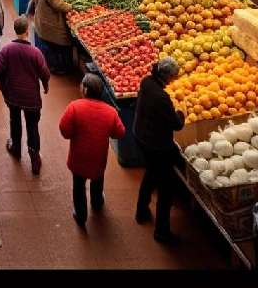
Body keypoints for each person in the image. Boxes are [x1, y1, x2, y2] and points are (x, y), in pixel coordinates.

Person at [59, 74, 126, 228]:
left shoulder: (75, 107)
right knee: (97, 180)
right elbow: (120, 132)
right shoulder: (110, 112)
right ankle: (97, 202)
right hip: (98, 157)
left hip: (78, 157)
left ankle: (81, 215)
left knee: (78, 185)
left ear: (86, 89)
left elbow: (64, 130)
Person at [135, 57, 186, 245]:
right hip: (156, 144)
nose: (174, 80)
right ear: (168, 76)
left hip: (140, 136)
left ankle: (141, 211)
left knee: (150, 173)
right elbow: (176, 125)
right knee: (166, 187)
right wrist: (181, 114)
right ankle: (162, 232)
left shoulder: (146, 82)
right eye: (174, 77)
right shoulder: (162, 97)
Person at [0, 16, 50, 175]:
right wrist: (45, 86)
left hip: (13, 96)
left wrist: (4, 87)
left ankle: (16, 149)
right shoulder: (35, 52)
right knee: (32, 126)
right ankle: (35, 160)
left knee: (15, 121)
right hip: (31, 98)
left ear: (15, 30)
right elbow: (44, 73)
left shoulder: (7, 50)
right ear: (27, 31)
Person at [28, 0, 75, 75]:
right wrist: (72, 6)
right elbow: (59, 5)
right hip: (49, 24)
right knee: (64, 45)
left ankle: (54, 65)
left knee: (51, 47)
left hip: (41, 20)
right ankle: (62, 68)